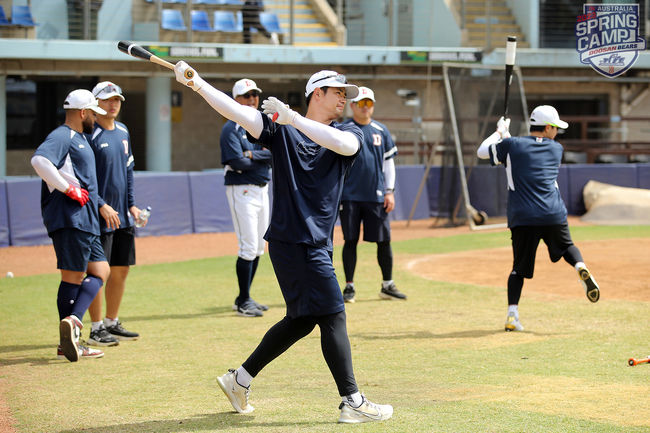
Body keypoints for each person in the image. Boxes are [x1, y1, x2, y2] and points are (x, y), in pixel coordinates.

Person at [173, 63, 393, 423]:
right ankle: (352, 401)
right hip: (295, 241)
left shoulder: (348, 132)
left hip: (314, 242)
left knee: (302, 320)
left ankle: (239, 379)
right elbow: (239, 113)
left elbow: (344, 143)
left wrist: (293, 118)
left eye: (345, 94)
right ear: (317, 94)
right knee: (334, 315)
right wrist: (197, 84)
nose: (344, 99)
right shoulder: (281, 130)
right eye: (338, 92)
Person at [477, 105, 600, 332]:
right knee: (567, 246)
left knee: (518, 269)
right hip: (552, 212)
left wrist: (499, 132)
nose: (557, 132)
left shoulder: (512, 146)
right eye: (555, 127)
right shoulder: (556, 149)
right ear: (546, 127)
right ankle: (580, 266)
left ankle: (512, 316)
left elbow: (483, 152)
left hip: (523, 216)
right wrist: (507, 138)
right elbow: (525, 151)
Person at [30, 89, 110, 361]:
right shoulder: (63, 135)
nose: (96, 119)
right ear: (83, 112)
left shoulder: (81, 138)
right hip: (70, 218)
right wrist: (68, 189)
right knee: (72, 277)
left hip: (86, 220)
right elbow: (39, 161)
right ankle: (69, 342)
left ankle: (74, 320)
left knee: (101, 271)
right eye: (93, 114)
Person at [86, 81, 142, 347]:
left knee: (121, 270)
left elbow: (128, 171)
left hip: (123, 216)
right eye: (108, 99)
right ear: (95, 103)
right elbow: (84, 179)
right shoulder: (89, 135)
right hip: (99, 216)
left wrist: (131, 204)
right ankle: (96, 328)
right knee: (100, 272)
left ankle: (111, 321)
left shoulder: (123, 130)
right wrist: (100, 204)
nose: (113, 104)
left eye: (117, 99)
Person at [340, 86, 406, 303]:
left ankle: (387, 284)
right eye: (361, 103)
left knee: (384, 241)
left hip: (376, 195)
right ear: (352, 106)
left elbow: (389, 164)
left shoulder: (381, 130)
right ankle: (349, 287)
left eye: (369, 103)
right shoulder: (343, 129)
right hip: (349, 195)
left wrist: (390, 191)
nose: (365, 107)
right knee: (350, 240)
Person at [221, 78, 272, 318]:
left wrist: (253, 154)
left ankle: (244, 297)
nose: (252, 99)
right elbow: (236, 161)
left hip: (262, 188)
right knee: (249, 245)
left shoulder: (262, 125)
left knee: (260, 246)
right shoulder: (231, 127)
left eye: (255, 95)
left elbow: (274, 154)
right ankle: (243, 301)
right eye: (247, 95)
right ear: (236, 100)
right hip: (241, 189)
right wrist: (260, 156)